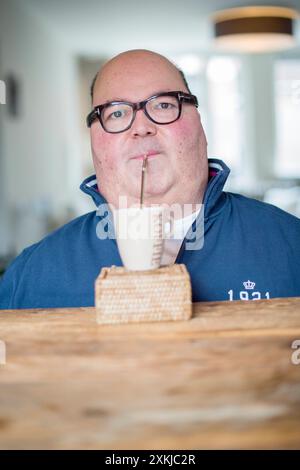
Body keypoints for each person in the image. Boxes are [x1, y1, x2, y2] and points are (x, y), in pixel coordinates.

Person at [0, 49, 299, 309]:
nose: (141, 127)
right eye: (116, 113)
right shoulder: (28, 277)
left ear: (199, 124)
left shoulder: (291, 247)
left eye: (164, 105)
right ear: (93, 142)